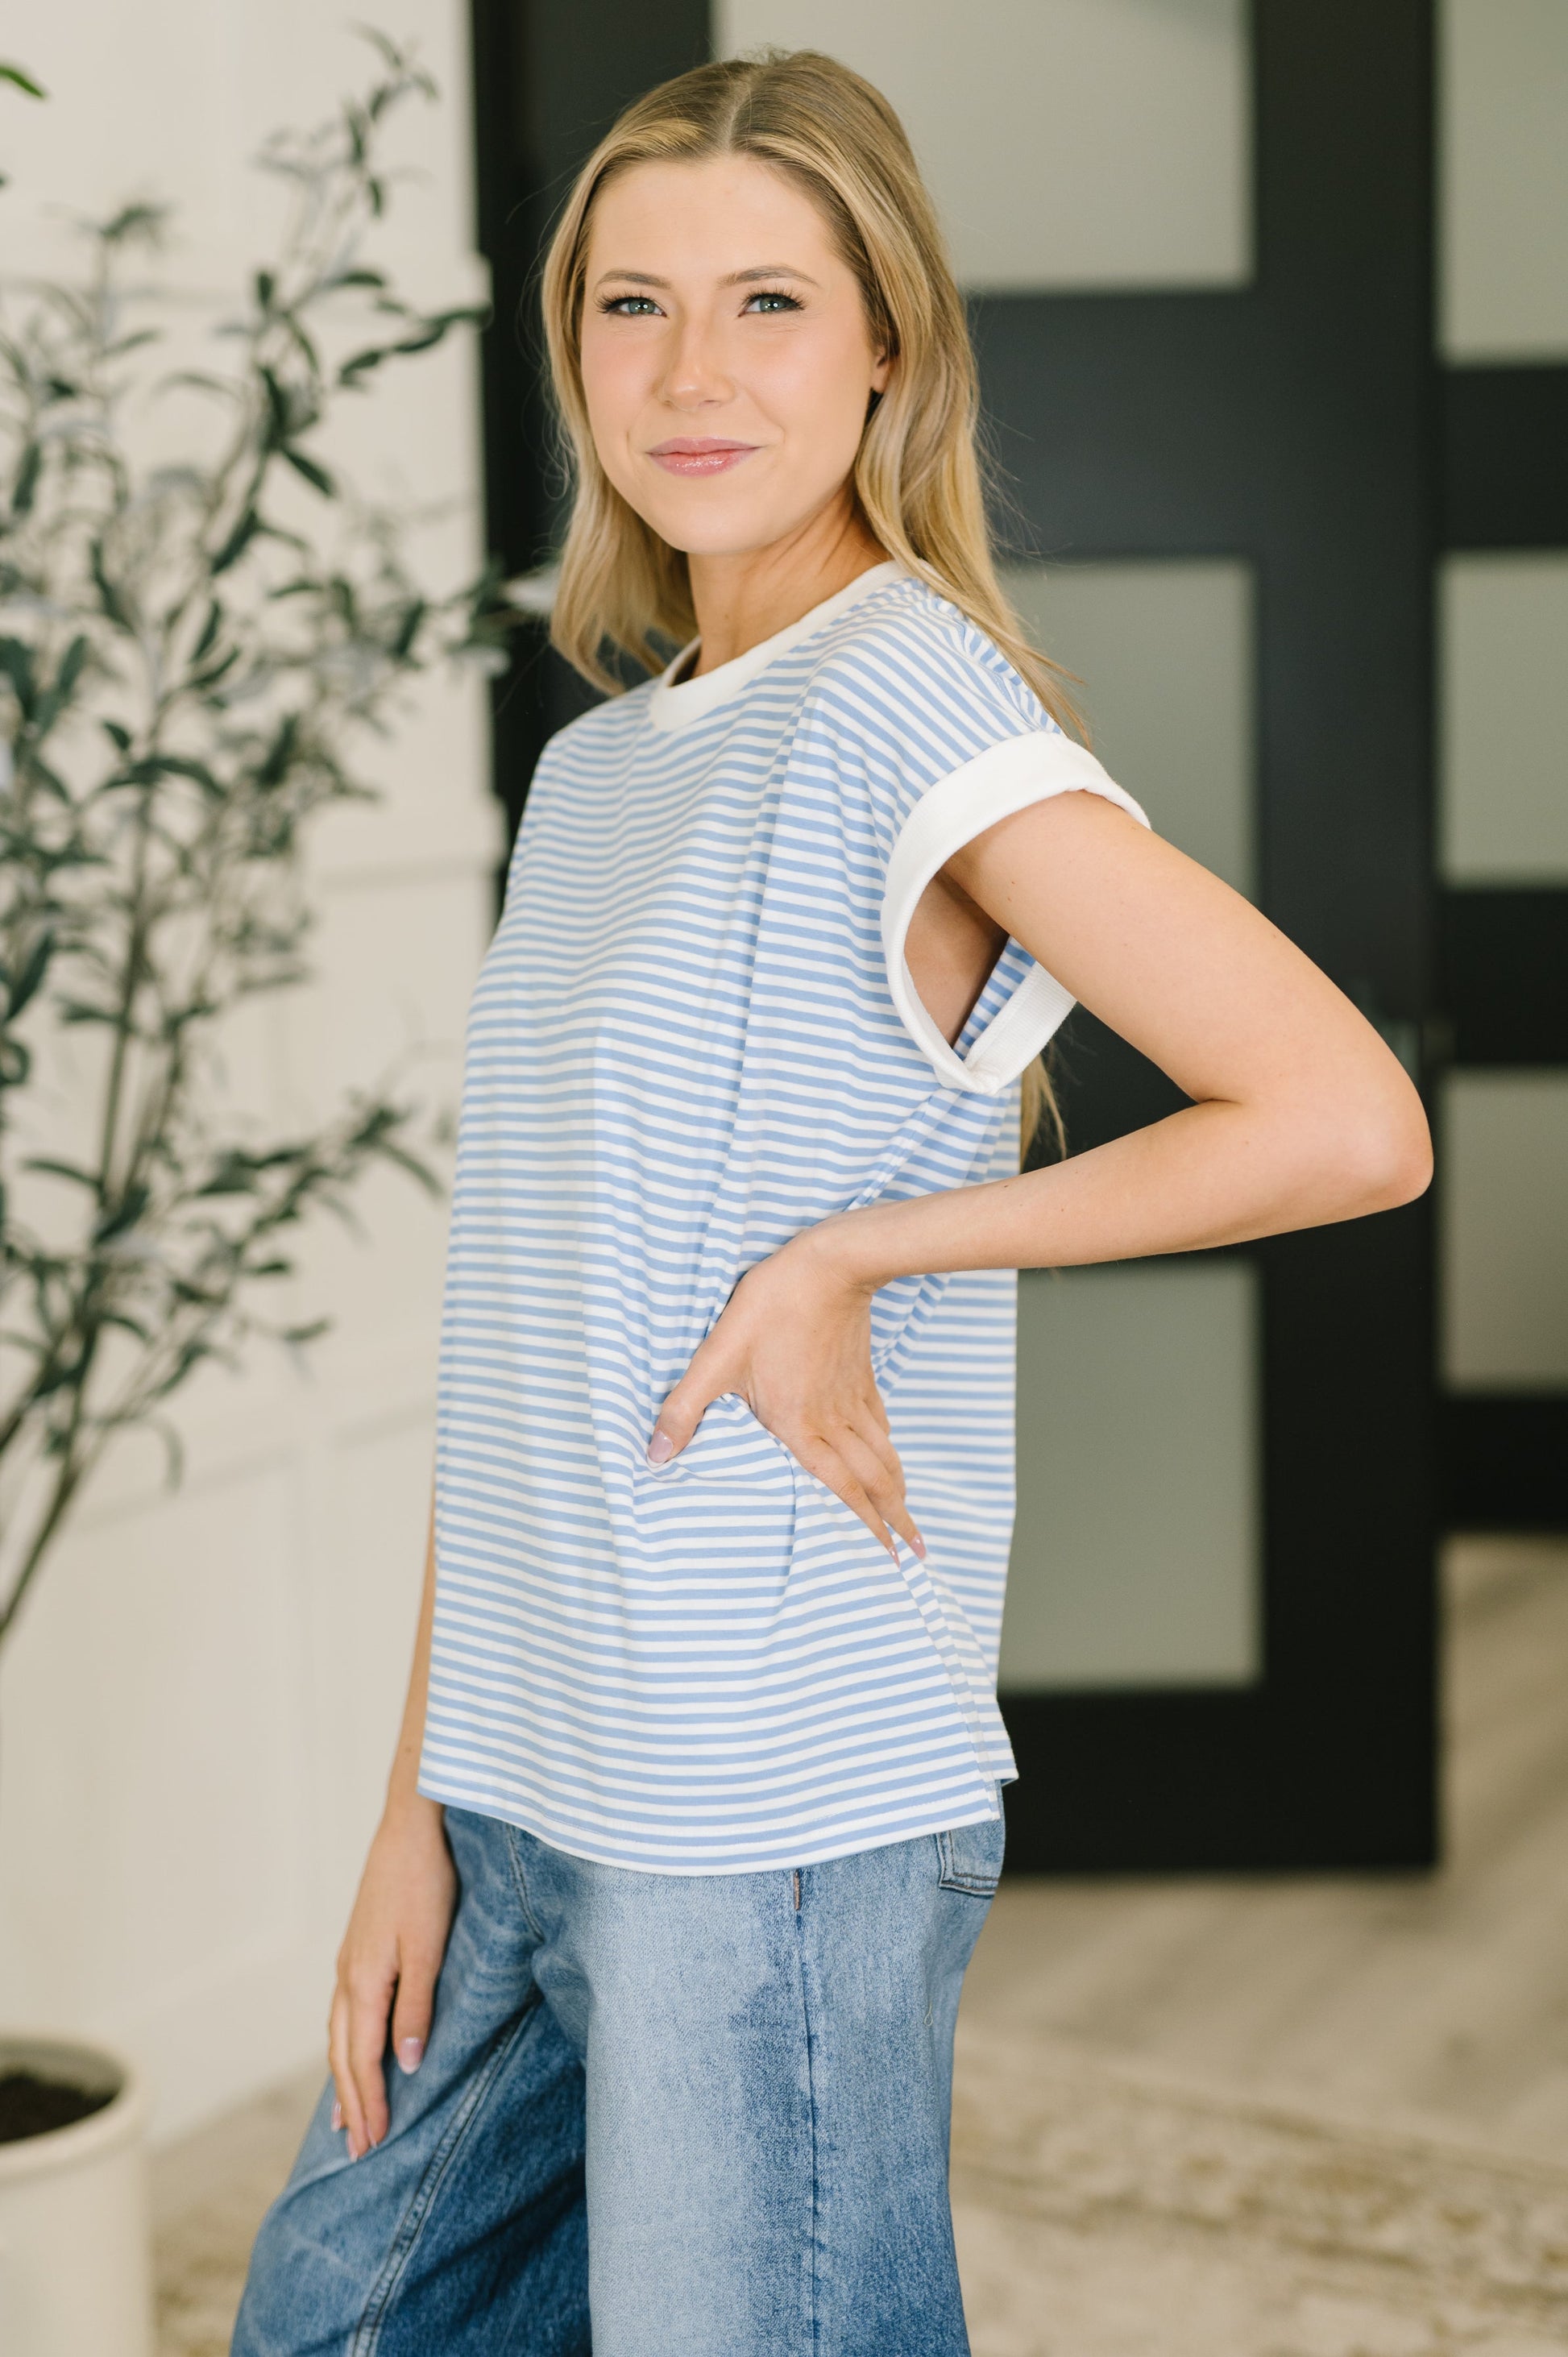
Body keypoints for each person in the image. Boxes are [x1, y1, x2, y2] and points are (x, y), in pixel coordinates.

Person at [231, 46, 1431, 2357]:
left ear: (887, 345)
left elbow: (1342, 1115)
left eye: (767, 302)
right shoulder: (600, 766)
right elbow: (525, 1339)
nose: (691, 372)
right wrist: (419, 1804)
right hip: (529, 1769)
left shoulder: (908, 703)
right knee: (331, 2326)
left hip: (760, 1805)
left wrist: (860, 1251)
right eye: (633, 304)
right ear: (573, 349)